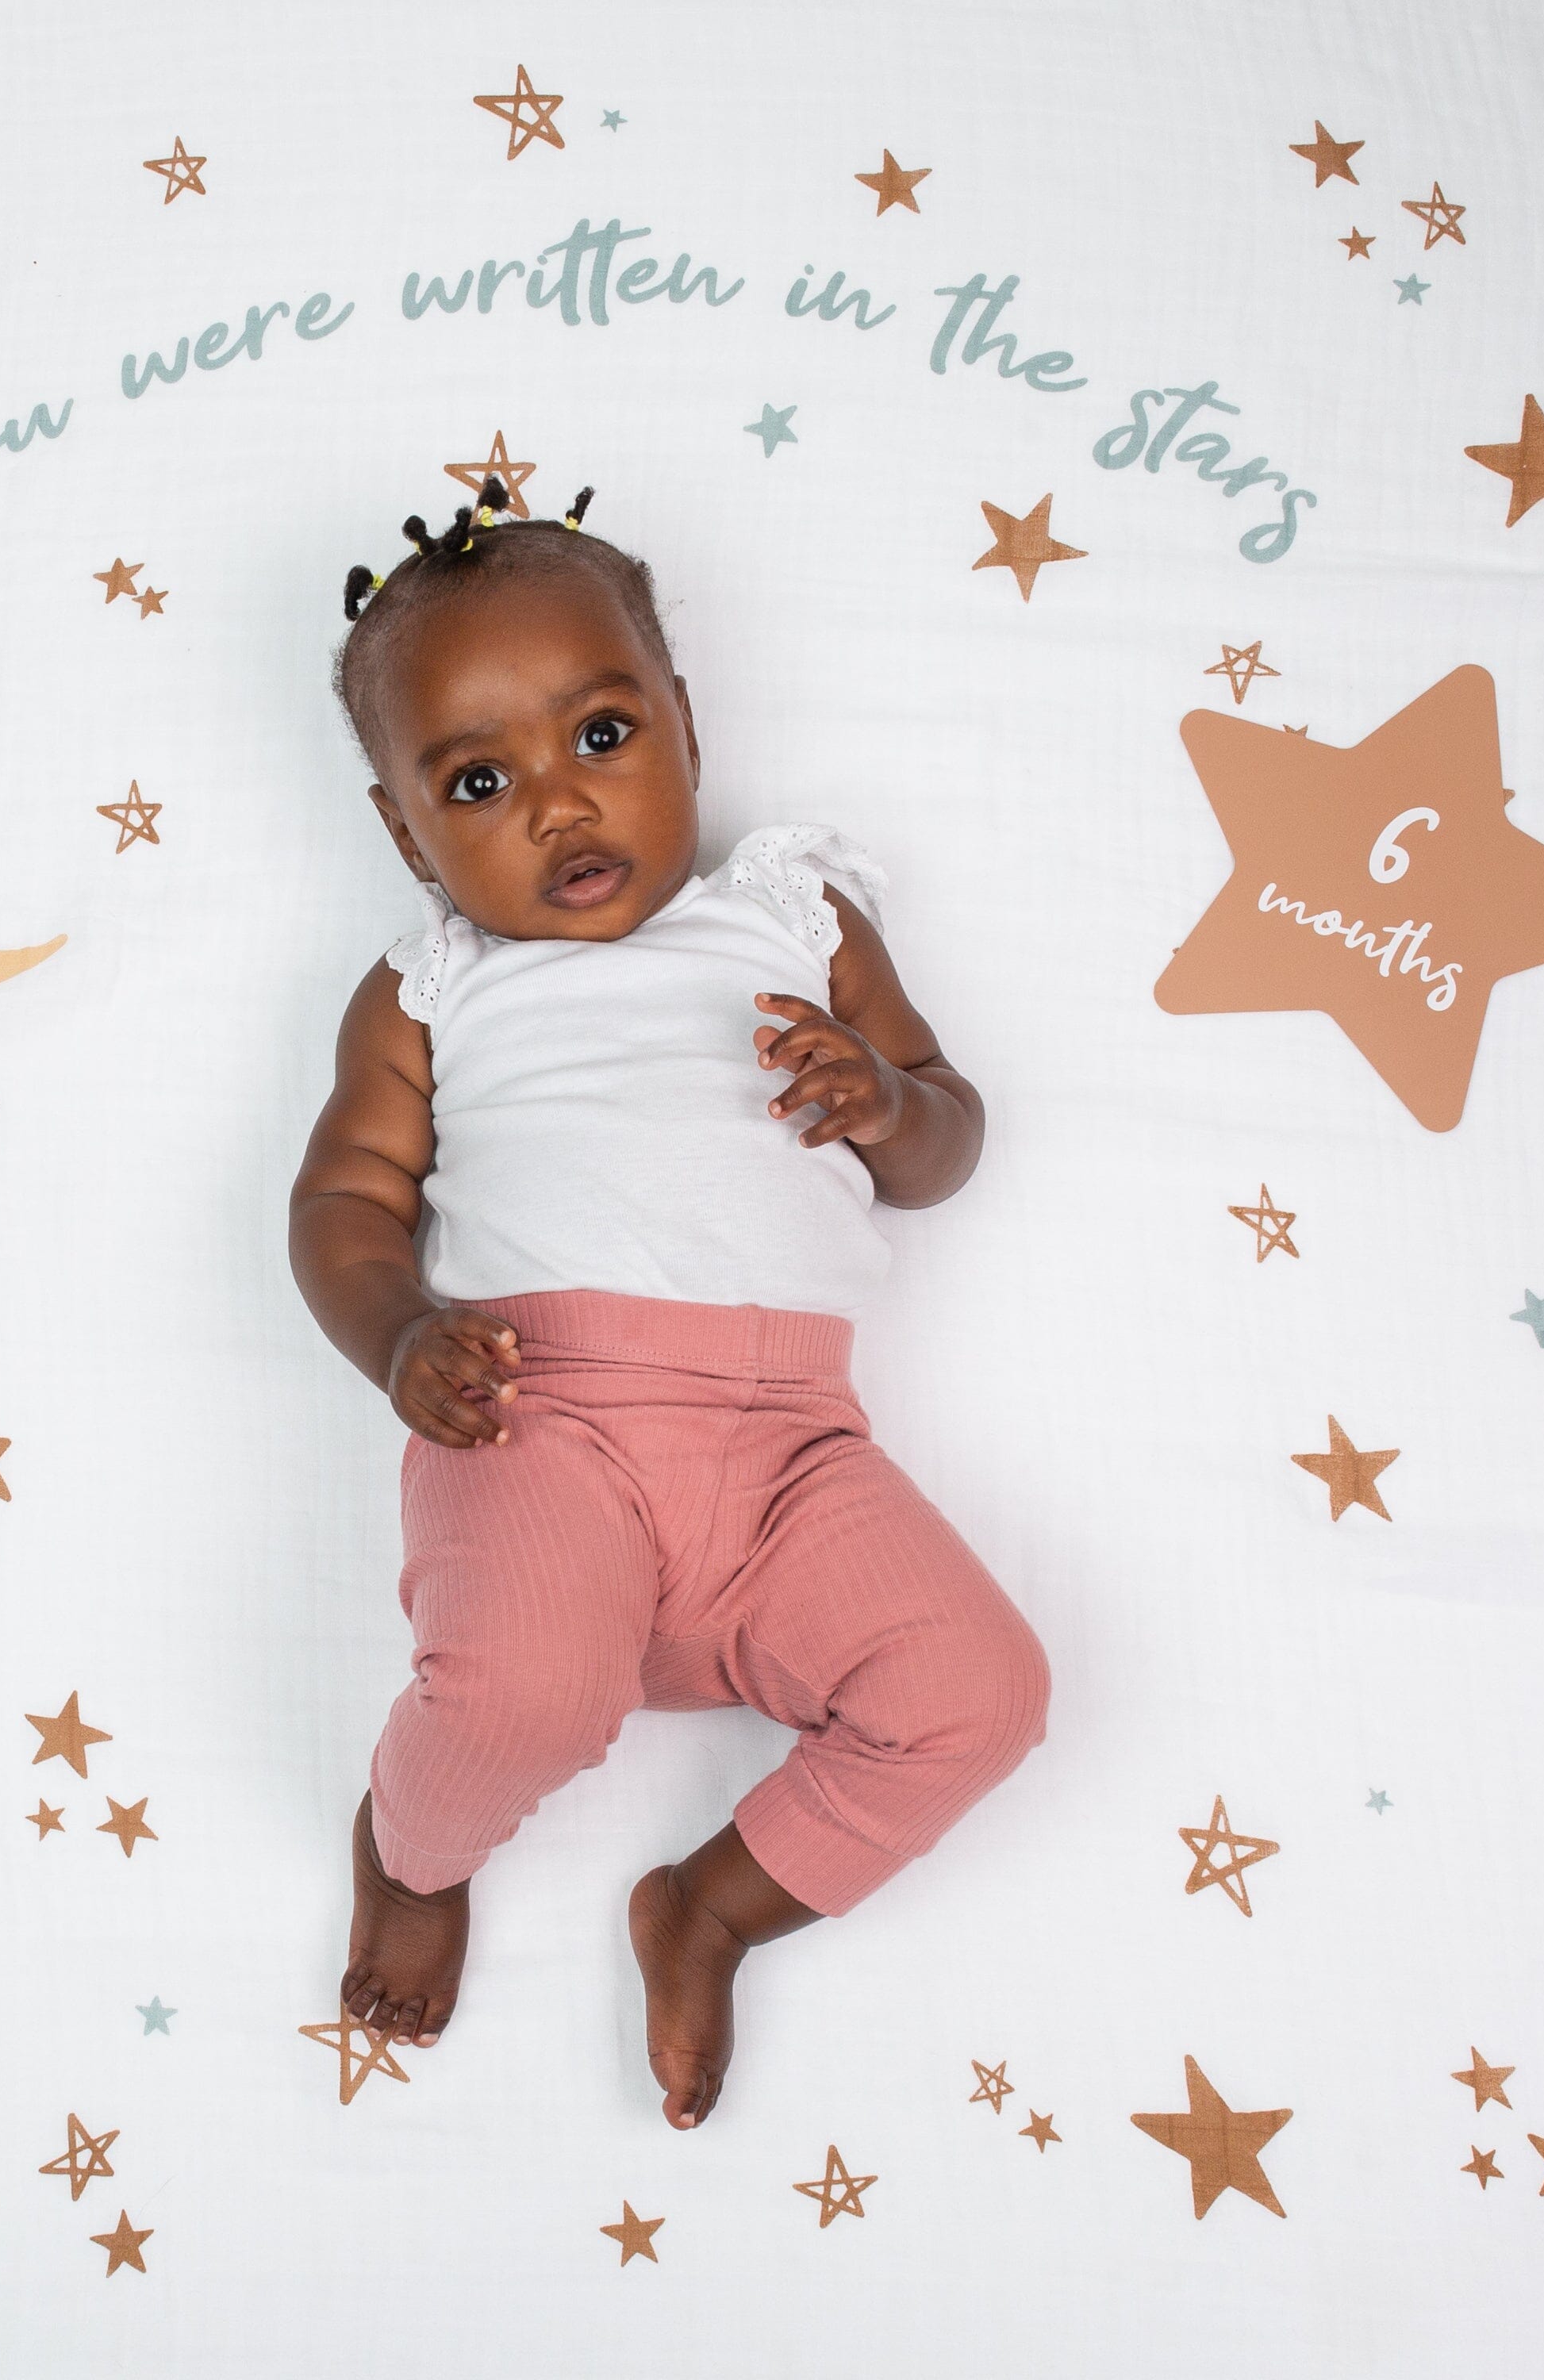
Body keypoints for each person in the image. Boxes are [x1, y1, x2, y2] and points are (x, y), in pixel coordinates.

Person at [287, 477, 1052, 2130]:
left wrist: (889, 1105)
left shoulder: (794, 917)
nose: (561, 807)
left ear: (688, 723)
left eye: (604, 735)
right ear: (404, 833)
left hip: (792, 1455)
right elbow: (345, 1201)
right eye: (481, 781)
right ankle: (411, 1847)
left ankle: (713, 1901)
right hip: (537, 1413)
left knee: (986, 1692)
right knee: (517, 1697)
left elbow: (949, 1133)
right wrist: (401, 1336)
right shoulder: (434, 989)